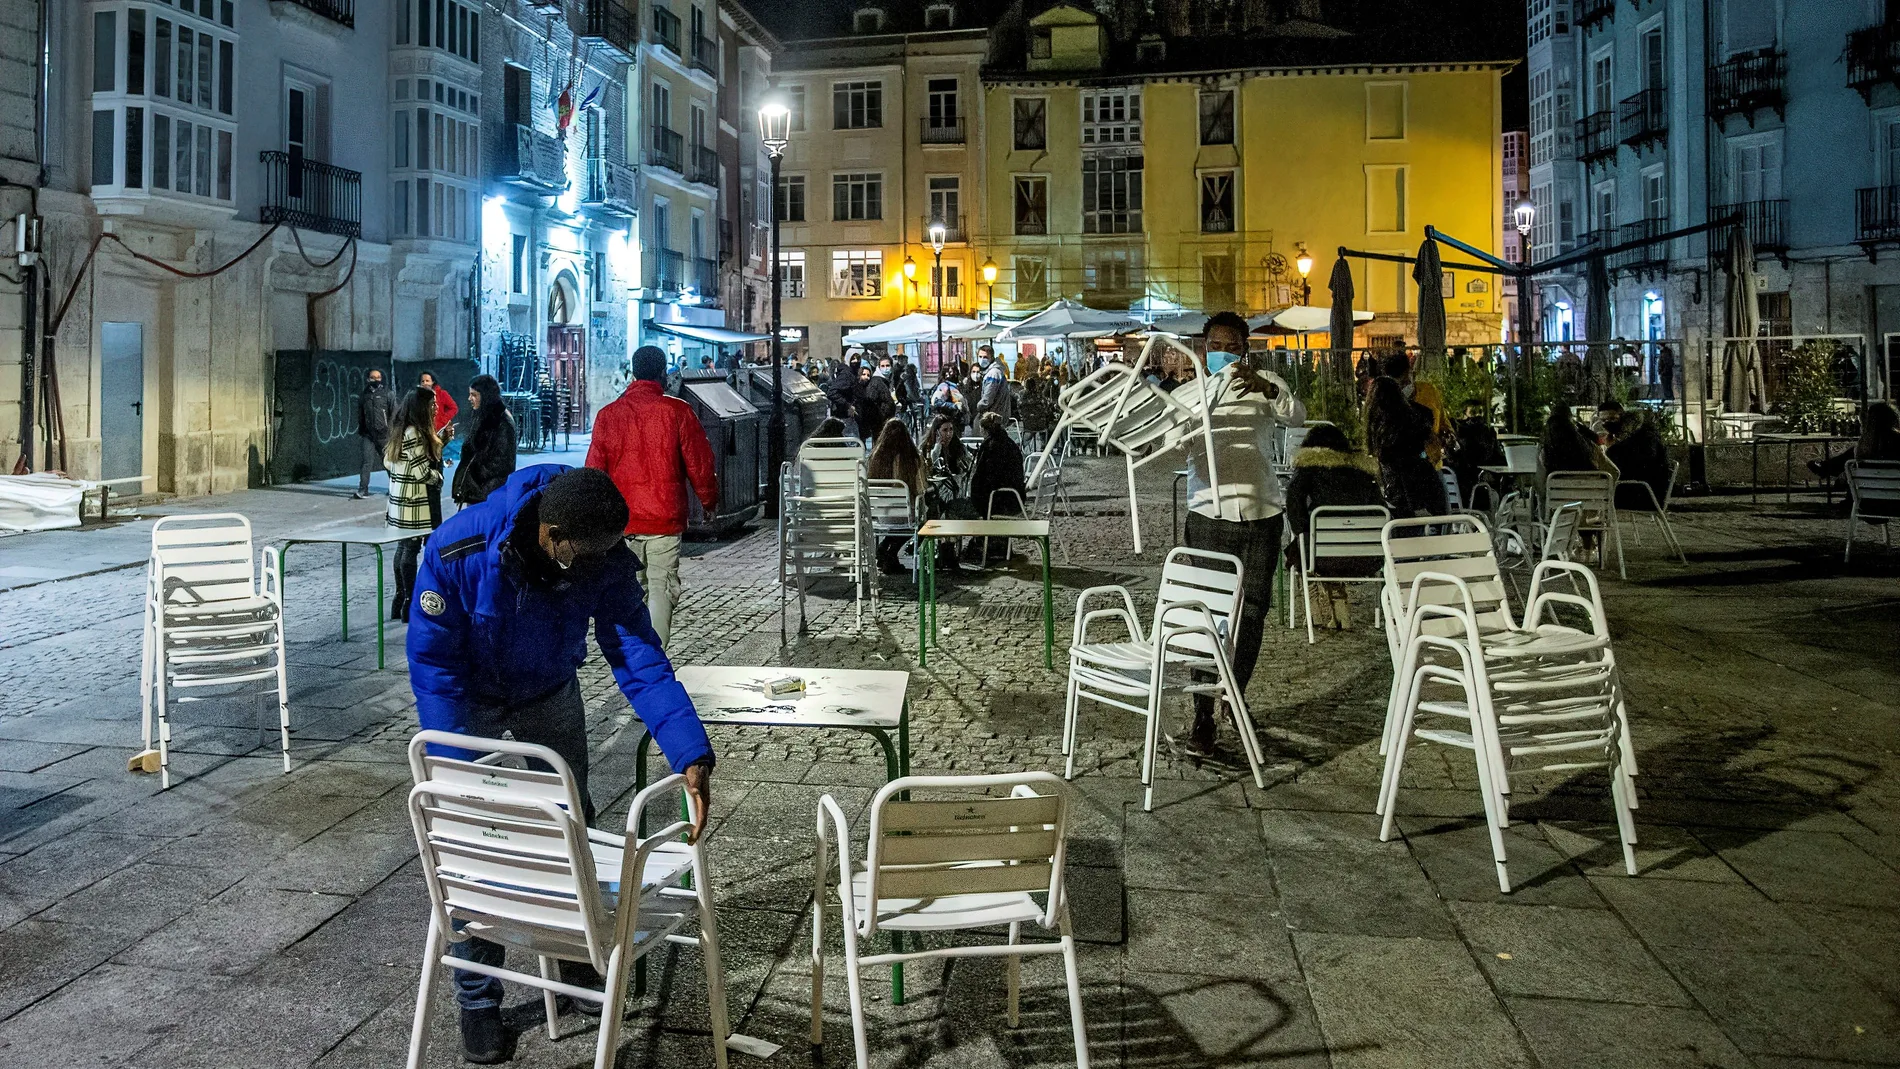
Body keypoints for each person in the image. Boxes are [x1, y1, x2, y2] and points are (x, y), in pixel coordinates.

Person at [407, 465, 714, 1064]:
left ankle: (580, 960)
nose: (598, 563)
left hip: (547, 686)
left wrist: (689, 749)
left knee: (573, 819)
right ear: (550, 534)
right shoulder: (460, 549)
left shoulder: (600, 553)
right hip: (467, 696)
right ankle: (477, 999)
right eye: (586, 554)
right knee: (475, 842)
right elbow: (434, 662)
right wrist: (455, 772)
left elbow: (636, 653)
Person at [1171, 311, 1303, 755]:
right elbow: (1170, 442)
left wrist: (1265, 387)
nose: (1221, 353)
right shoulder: (1189, 394)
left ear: (1245, 348)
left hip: (1262, 512)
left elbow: (1296, 416)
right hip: (1209, 514)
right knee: (1207, 615)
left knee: (1254, 612)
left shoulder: (1265, 384)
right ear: (1204, 349)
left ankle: (1235, 692)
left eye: (1230, 344)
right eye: (1214, 345)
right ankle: (1203, 715)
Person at [585, 345, 719, 647]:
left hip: (623, 522)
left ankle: (633, 655)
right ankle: (656, 657)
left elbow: (594, 472)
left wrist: (596, 518)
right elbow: (700, 462)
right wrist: (709, 502)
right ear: (662, 374)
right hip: (664, 519)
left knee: (632, 589)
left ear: (633, 373)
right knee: (662, 588)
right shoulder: (677, 411)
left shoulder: (608, 415)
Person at [1282, 423, 1384, 629]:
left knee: (1301, 548)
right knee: (1322, 544)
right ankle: (1340, 610)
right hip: (1367, 557)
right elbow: (1380, 509)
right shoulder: (1363, 473)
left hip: (1322, 557)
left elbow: (1294, 506)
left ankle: (1314, 612)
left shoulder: (1308, 471)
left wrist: (1302, 530)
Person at [386, 387, 443, 622]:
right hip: (413, 500)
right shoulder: (416, 433)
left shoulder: (401, 429)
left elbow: (389, 463)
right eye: (432, 405)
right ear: (422, 408)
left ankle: (399, 600)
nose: (436, 408)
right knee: (411, 549)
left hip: (399, 499)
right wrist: (438, 477)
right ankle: (409, 602)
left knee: (403, 547)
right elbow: (422, 472)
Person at [1365, 376, 1448, 519]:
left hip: (1407, 499)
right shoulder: (1415, 419)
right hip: (1427, 487)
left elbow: (1403, 470)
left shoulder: (1385, 434)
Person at [966, 411, 1029, 561]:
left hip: (999, 500)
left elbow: (983, 479)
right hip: (1015, 498)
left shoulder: (991, 446)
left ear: (983, 430)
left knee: (955, 508)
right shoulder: (1009, 443)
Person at [867, 417, 924, 573]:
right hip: (905, 514)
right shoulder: (910, 457)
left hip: (881, 514)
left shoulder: (875, 457)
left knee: (901, 521)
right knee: (925, 519)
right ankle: (890, 552)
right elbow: (921, 489)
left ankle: (884, 548)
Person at [453, 375, 518, 507]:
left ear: (486, 395)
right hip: (479, 491)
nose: (469, 399)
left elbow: (501, 462)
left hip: (489, 494)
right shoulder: (483, 416)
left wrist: (474, 473)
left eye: (474, 395)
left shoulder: (502, 422)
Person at [1600, 401, 1671, 508]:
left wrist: (1612, 449)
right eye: (1603, 420)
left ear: (1622, 416)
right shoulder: (1625, 435)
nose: (1607, 423)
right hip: (1636, 488)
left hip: (1646, 493)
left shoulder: (1645, 434)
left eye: (1612, 419)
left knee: (1594, 492)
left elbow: (1641, 463)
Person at [1810, 401, 1900, 479]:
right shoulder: (1896, 441)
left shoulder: (1864, 447)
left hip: (1867, 493)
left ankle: (1825, 467)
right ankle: (1826, 467)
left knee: (1850, 455)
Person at [417, 372, 459, 526]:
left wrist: (441, 422)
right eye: (423, 380)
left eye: (427, 380)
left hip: (435, 440)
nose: (425, 382)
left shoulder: (441, 394)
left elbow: (453, 408)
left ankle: (434, 528)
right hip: (423, 445)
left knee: (434, 490)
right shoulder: (417, 398)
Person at [1445, 400, 1504, 508]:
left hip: (1462, 493)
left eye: (1480, 412)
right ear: (1465, 414)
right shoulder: (1462, 435)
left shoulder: (1487, 433)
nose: (1477, 416)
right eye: (1473, 412)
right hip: (1473, 491)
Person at [1540, 401, 1617, 480]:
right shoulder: (1591, 448)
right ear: (1573, 427)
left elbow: (1540, 485)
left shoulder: (1545, 454)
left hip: (1557, 491)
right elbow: (1614, 473)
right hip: (1594, 491)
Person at [353, 368, 398, 499]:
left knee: (388, 462)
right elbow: (360, 414)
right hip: (368, 435)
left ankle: (395, 489)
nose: (376, 380)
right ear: (368, 379)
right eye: (373, 377)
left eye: (378, 377)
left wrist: (390, 430)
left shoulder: (387, 394)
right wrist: (362, 429)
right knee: (366, 462)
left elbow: (394, 412)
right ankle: (363, 489)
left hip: (384, 434)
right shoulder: (364, 395)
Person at [1019, 362, 1059, 455]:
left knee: (1030, 430)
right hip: (1041, 425)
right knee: (1051, 425)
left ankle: (1022, 447)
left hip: (1027, 425)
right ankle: (1044, 446)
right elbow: (1046, 409)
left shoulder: (1021, 397)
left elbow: (1020, 409)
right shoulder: (1040, 397)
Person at [856, 359, 897, 446]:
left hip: (872, 421)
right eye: (863, 374)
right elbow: (871, 402)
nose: (866, 377)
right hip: (868, 421)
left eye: (868, 375)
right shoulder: (875, 382)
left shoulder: (875, 383)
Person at [975, 346, 1012, 423]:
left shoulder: (993, 374)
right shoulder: (993, 371)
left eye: (985, 357)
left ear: (991, 357)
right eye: (980, 356)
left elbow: (987, 399)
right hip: (997, 414)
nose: (982, 359)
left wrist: (978, 408)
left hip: (994, 416)